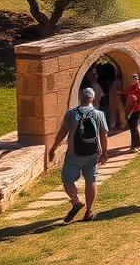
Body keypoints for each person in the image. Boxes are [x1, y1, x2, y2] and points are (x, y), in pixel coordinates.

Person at [47, 86, 109, 223]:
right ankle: (88, 211)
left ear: (81, 98)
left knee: (67, 179)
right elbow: (103, 134)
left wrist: (53, 148)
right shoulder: (99, 114)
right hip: (93, 153)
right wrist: (105, 152)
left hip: (74, 153)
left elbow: (62, 132)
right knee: (91, 180)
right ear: (93, 99)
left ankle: (76, 201)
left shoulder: (72, 113)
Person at [124, 72, 140, 151]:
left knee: (134, 127)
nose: (133, 80)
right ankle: (136, 144)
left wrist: (134, 109)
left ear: (137, 80)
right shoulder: (131, 89)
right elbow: (126, 95)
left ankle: (136, 146)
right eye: (132, 79)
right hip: (130, 111)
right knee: (132, 128)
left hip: (137, 111)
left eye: (134, 78)